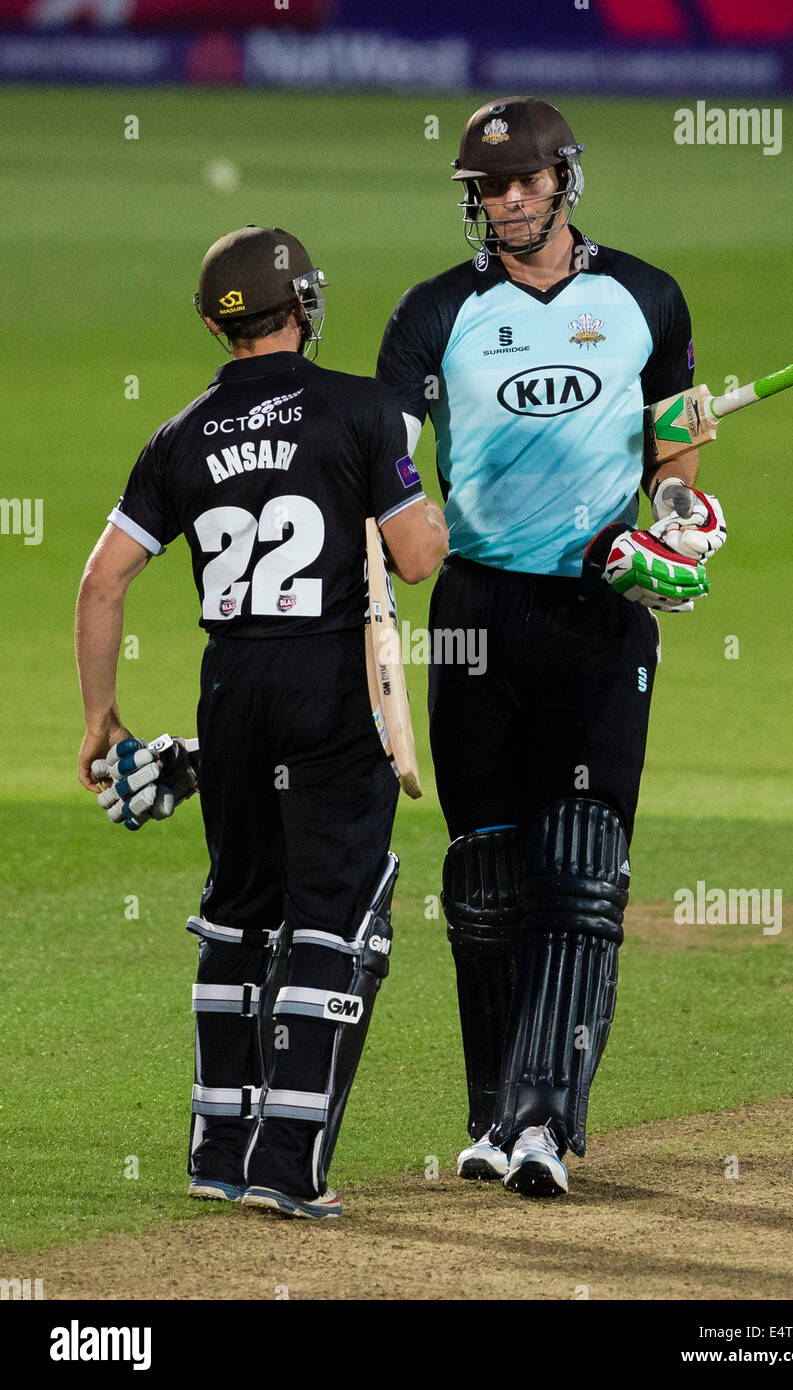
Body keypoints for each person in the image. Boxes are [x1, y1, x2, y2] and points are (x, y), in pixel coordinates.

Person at [376, 96, 725, 1197]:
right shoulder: (434, 313)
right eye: (490, 186)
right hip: (476, 611)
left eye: (526, 181)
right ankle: (488, 1116)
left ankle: (542, 1120)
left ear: (562, 181)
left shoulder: (644, 299)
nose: (510, 201)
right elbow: (385, 463)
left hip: (595, 608)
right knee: (483, 881)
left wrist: (672, 521)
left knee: (579, 867)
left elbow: (673, 457)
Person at [75, 224, 448, 1218]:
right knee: (333, 918)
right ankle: (285, 1167)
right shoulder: (365, 412)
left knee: (237, 912)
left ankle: (215, 1144)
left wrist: (100, 719)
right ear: (306, 305)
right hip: (330, 685)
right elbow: (414, 559)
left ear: (213, 324)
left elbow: (102, 580)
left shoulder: (180, 433)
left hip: (229, 688)